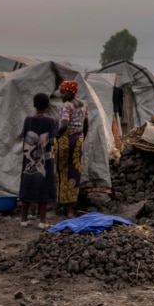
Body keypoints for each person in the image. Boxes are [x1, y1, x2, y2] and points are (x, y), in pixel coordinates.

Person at [19, 93, 57, 229]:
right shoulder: (50, 121)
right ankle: (43, 220)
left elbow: (24, 135)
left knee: (27, 183)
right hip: (44, 159)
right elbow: (52, 141)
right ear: (47, 106)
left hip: (28, 157)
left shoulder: (27, 120)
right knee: (44, 186)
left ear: (34, 105)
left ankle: (23, 218)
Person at [55, 80, 88, 219]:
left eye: (63, 92)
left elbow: (63, 125)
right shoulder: (84, 104)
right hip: (78, 140)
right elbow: (86, 125)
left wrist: (54, 135)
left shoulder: (67, 106)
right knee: (75, 171)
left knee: (62, 171)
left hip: (65, 140)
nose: (61, 95)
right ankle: (71, 208)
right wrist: (81, 138)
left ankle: (63, 206)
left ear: (70, 92)